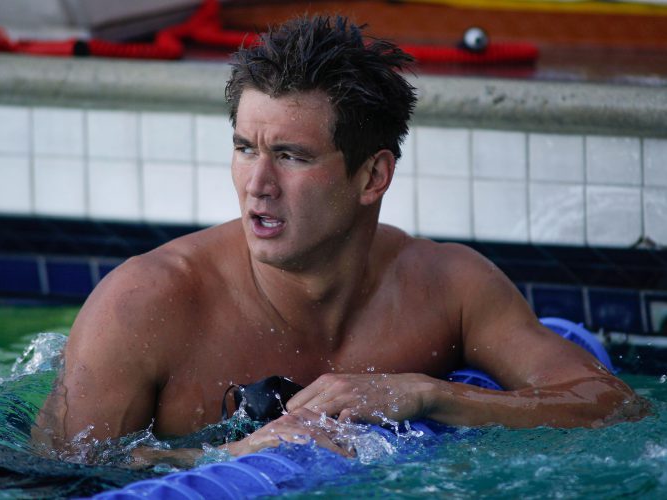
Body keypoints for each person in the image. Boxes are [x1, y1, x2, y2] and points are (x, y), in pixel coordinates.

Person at [34, 15, 645, 464]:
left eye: (292, 156)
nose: (258, 184)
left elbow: (615, 408)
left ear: (372, 176)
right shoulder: (145, 305)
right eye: (245, 149)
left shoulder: (448, 288)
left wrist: (429, 395)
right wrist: (223, 457)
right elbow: (48, 479)